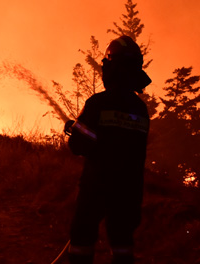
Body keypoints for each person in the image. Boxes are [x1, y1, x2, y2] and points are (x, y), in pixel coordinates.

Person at [64, 36, 151, 264]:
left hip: (97, 187)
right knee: (122, 244)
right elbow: (125, 143)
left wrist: (76, 129)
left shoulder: (98, 104)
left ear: (111, 68)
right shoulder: (140, 109)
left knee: (82, 239)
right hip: (129, 191)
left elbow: (79, 145)